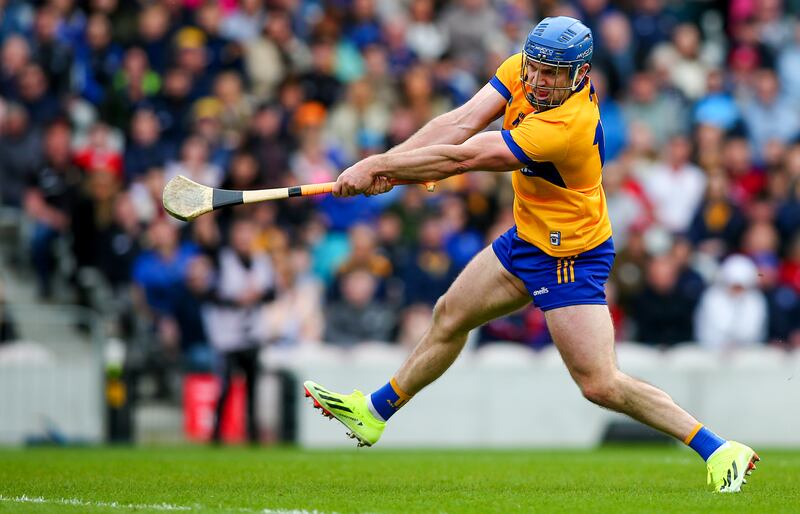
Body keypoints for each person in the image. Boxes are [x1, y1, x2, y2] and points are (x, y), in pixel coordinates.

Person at [303, 16, 759, 493]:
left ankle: (719, 448)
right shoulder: (522, 68)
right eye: (537, 69)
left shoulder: (566, 126)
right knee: (449, 316)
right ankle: (374, 412)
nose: (540, 81)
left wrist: (378, 166)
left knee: (600, 383)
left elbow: (464, 156)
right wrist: (386, 170)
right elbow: (456, 123)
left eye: (554, 74)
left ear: (579, 74)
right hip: (527, 238)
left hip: (571, 257)